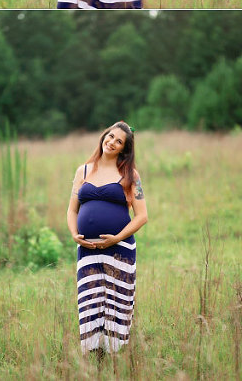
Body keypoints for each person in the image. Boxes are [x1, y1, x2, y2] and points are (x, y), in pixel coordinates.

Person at [66, 121, 148, 354]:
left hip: (119, 249)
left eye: (119, 141)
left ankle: (116, 356)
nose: (112, 142)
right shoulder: (82, 171)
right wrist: (74, 234)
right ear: (104, 136)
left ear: (124, 149)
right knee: (90, 302)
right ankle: (94, 357)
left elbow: (141, 216)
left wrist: (116, 238)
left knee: (117, 304)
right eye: (110, 136)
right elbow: (72, 210)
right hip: (88, 250)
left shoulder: (130, 175)